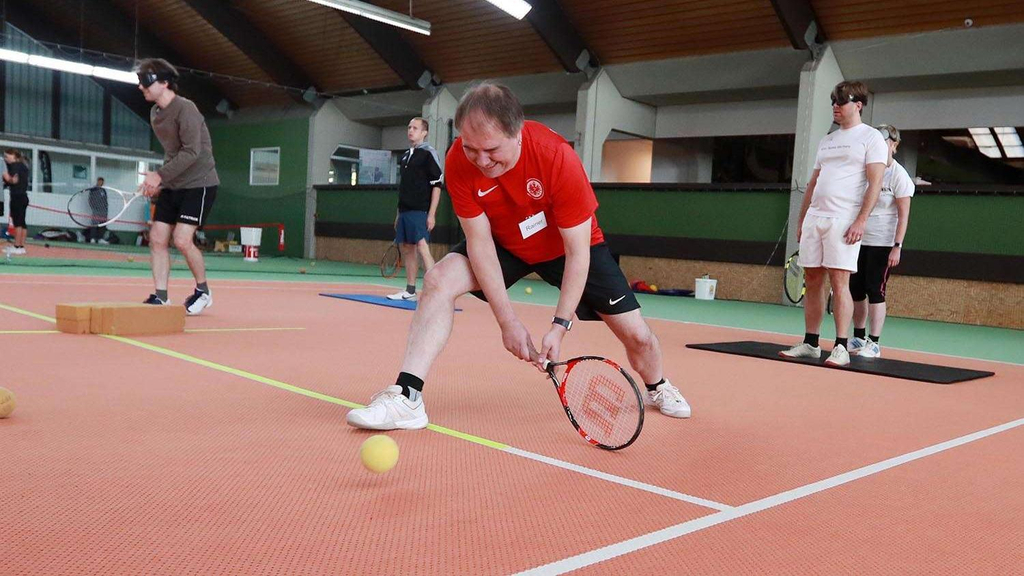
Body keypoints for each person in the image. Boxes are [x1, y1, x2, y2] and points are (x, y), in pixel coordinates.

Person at [347, 83, 690, 430]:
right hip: (504, 242)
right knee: (438, 280)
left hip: (565, 247)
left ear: (518, 132)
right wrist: (507, 321)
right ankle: (408, 397)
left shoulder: (556, 157)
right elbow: (479, 244)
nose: (481, 160)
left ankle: (657, 386)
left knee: (638, 336)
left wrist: (560, 326)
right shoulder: (458, 160)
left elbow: (577, 253)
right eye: (471, 149)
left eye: (491, 149)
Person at [781, 81, 887, 367]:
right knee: (812, 281)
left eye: (841, 101)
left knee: (841, 282)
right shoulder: (827, 140)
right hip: (816, 218)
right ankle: (811, 343)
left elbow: (875, 183)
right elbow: (814, 182)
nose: (835, 107)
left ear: (859, 104)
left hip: (844, 220)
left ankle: (841, 346)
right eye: (833, 101)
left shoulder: (871, 137)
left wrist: (861, 220)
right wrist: (802, 219)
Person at [136, 58, 219, 315]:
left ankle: (203, 291)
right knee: (157, 239)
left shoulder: (186, 109)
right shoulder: (155, 114)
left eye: (146, 81)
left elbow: (192, 151)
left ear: (164, 83)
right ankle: (161, 296)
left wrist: (159, 176)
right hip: (174, 185)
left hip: (199, 183)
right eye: (140, 81)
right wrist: (161, 182)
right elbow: (172, 153)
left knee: (182, 240)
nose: (141, 87)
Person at [848, 124, 914, 358]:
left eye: (884, 142)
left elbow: (903, 215)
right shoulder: (866, 171)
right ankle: (857, 337)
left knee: (875, 290)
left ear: (894, 146)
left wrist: (897, 246)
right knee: (855, 288)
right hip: (858, 240)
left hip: (883, 243)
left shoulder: (899, 176)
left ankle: (874, 343)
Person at [386, 117, 443, 301]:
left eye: (415, 128)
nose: (411, 130)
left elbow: (437, 184)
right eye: (409, 127)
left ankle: (438, 293)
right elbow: (404, 186)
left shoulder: (428, 154)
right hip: (404, 211)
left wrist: (432, 214)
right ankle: (410, 291)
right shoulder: (405, 156)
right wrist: (398, 213)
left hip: (420, 211)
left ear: (424, 132)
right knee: (407, 249)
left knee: (422, 247)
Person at [2, 149, 30, 255]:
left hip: (17, 197)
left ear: (14, 156)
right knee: (22, 222)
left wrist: (6, 179)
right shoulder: (24, 166)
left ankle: (17, 246)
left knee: (17, 223)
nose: (6, 159)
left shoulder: (14, 166)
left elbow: (14, 180)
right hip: (23, 196)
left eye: (7, 156)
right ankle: (21, 247)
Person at [86, 177, 108, 243]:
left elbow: (105, 200)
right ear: (97, 181)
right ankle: (92, 238)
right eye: (100, 181)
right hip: (96, 210)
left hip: (103, 210)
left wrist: (106, 208)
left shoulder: (103, 190)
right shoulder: (93, 189)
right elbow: (90, 199)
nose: (101, 183)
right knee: (94, 224)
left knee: (103, 224)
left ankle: (100, 238)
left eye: (102, 182)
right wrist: (94, 207)